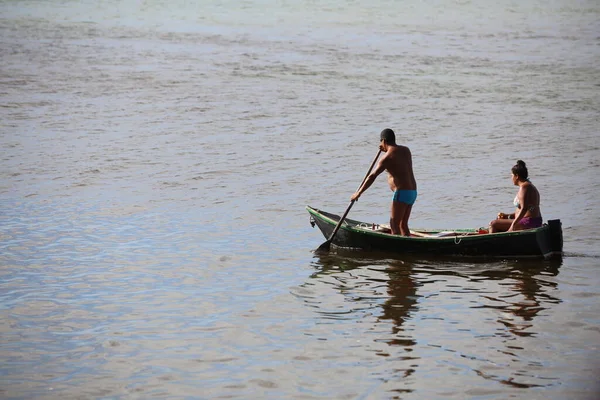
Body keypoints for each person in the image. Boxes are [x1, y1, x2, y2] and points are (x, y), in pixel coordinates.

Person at [351, 128, 417, 236]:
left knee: (394, 224)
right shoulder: (406, 150)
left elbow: (372, 176)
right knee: (403, 224)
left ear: (384, 141)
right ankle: (409, 244)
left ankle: (398, 248)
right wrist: (386, 149)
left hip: (401, 193)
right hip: (413, 192)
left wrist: (358, 193)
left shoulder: (387, 158)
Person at [489, 160, 543, 233]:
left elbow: (524, 209)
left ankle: (493, 243)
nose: (511, 178)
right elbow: (525, 210)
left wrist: (513, 224)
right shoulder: (527, 185)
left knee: (493, 224)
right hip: (532, 220)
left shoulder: (524, 187)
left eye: (512, 175)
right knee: (499, 221)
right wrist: (508, 216)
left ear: (516, 176)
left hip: (529, 222)